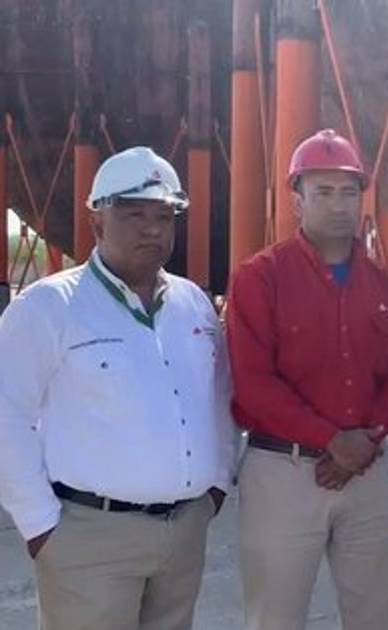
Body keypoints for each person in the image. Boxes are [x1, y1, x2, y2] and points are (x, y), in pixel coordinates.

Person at [0, 146, 237, 630]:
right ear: (97, 222)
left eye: (164, 216)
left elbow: (219, 398)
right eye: (134, 215)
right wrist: (40, 525)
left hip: (183, 532)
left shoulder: (192, 304)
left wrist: (216, 483)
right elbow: (8, 416)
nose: (153, 229)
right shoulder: (48, 307)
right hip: (89, 539)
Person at [225, 128, 388, 630]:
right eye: (323, 191)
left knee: (379, 614)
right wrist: (333, 440)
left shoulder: (382, 283)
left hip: (368, 470)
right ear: (297, 200)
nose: (338, 204)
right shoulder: (260, 277)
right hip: (284, 472)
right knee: (275, 616)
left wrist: (366, 441)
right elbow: (253, 382)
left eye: (349, 192)